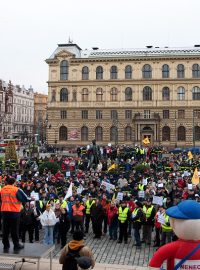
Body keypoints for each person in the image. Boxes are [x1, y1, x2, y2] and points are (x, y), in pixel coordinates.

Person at [0, 177, 33, 251]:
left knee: (5, 229)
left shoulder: (2, 189)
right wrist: (31, 199)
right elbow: (25, 199)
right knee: (14, 229)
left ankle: (6, 245)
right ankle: (16, 245)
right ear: (14, 182)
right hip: (14, 213)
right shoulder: (16, 190)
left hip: (4, 212)